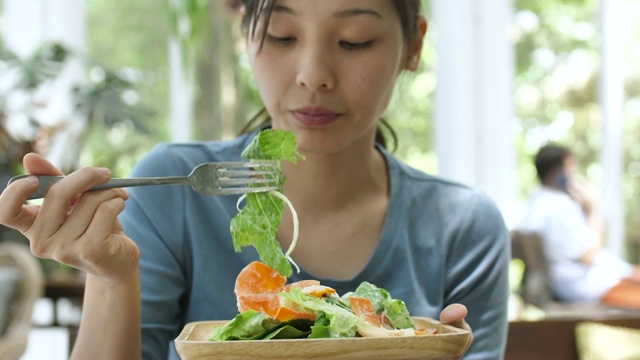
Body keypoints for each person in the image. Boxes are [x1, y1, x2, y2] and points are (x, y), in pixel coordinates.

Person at [0, 1, 510, 359]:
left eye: (355, 41)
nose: (313, 74)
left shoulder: (463, 226)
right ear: (247, 34)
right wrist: (111, 280)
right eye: (283, 36)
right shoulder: (170, 193)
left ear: (413, 46)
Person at [518, 144, 640, 308]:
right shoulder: (555, 208)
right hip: (591, 287)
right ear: (557, 172)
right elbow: (589, 256)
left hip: (598, 279)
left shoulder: (545, 203)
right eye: (571, 166)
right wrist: (592, 211)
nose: (574, 173)